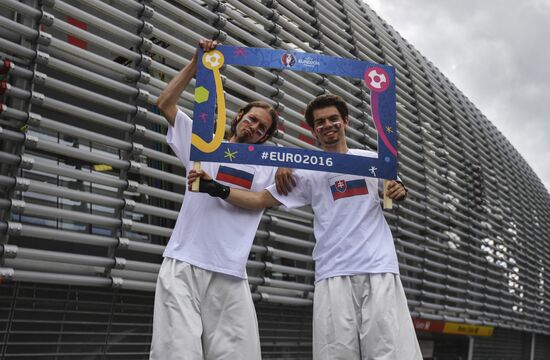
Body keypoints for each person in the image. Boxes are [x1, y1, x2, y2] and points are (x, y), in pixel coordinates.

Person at [188, 94, 423, 360]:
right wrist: (216, 188)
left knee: (389, 353)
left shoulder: (371, 161)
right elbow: (259, 200)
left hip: (378, 268)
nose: (328, 125)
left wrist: (397, 189)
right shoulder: (307, 170)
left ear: (345, 122)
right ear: (313, 131)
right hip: (332, 274)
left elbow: (395, 190)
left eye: (333, 119)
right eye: (320, 122)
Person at [150, 39, 282, 360]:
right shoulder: (204, 145)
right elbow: (165, 104)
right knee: (175, 354)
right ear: (239, 117)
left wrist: (217, 188)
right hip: (183, 264)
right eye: (251, 120)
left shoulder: (268, 167)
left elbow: (266, 200)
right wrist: (196, 63)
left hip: (230, 273)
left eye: (262, 129)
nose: (253, 128)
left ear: (265, 139)